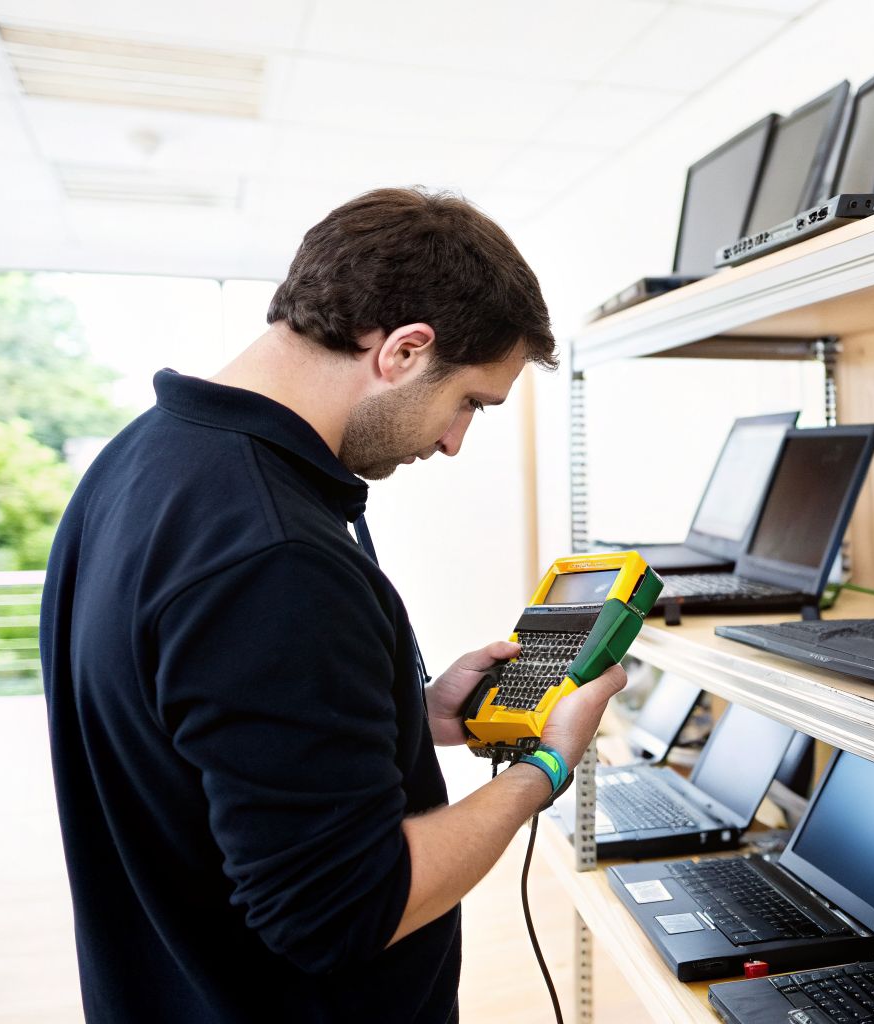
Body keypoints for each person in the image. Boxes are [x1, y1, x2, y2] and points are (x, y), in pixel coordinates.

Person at [39, 187, 624, 1023]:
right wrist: (547, 767)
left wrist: (399, 716)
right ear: (405, 351)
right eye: (469, 403)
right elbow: (342, 912)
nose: (455, 441)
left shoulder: (141, 460)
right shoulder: (274, 558)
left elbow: (199, 732)